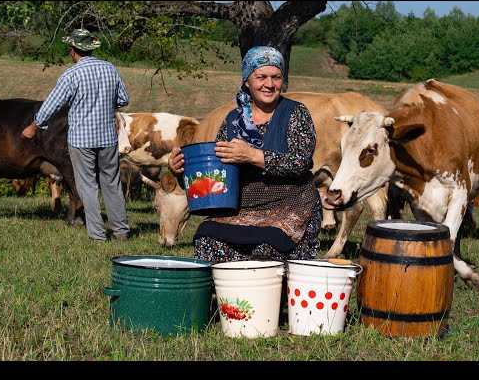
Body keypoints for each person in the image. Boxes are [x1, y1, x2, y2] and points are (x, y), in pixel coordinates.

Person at [168, 45, 322, 262]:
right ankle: (226, 295)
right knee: (207, 238)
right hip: (242, 209)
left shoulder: (295, 113)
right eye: (261, 77)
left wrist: (251, 155)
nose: (269, 84)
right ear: (247, 81)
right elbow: (215, 176)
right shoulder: (233, 120)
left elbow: (299, 162)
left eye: (276, 77)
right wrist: (181, 171)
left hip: (292, 204)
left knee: (267, 244)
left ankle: (266, 294)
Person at [22, 28, 131, 243]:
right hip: (108, 138)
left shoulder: (72, 74)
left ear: (73, 51)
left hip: (82, 140)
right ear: (91, 48)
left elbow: (52, 104)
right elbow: (123, 98)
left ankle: (98, 235)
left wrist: (34, 127)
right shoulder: (109, 68)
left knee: (87, 186)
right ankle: (121, 231)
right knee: (111, 183)